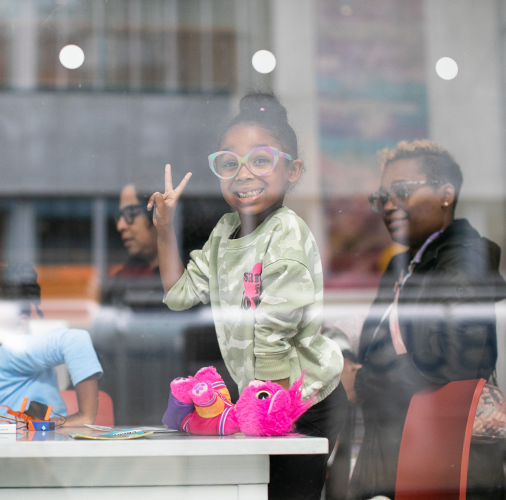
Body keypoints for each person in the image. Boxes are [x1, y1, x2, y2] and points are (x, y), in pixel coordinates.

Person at [152, 91, 346, 499]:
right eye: (229, 162)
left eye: (260, 160)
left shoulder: (286, 236)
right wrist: (164, 228)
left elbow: (273, 339)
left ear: (292, 171)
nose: (243, 173)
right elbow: (179, 294)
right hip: (263, 399)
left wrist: (262, 416)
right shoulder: (224, 233)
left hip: (302, 402)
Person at [349, 140, 506, 500]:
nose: (388, 206)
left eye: (402, 192)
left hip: (440, 458)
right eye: (382, 197)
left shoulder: (466, 260)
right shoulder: (400, 266)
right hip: (392, 447)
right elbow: (375, 347)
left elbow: (451, 363)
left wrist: (362, 380)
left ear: (445, 194)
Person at [0, 265, 103, 427]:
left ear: (19, 325)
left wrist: (85, 416)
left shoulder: (11, 352)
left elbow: (75, 340)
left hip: (34, 449)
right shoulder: (0, 361)